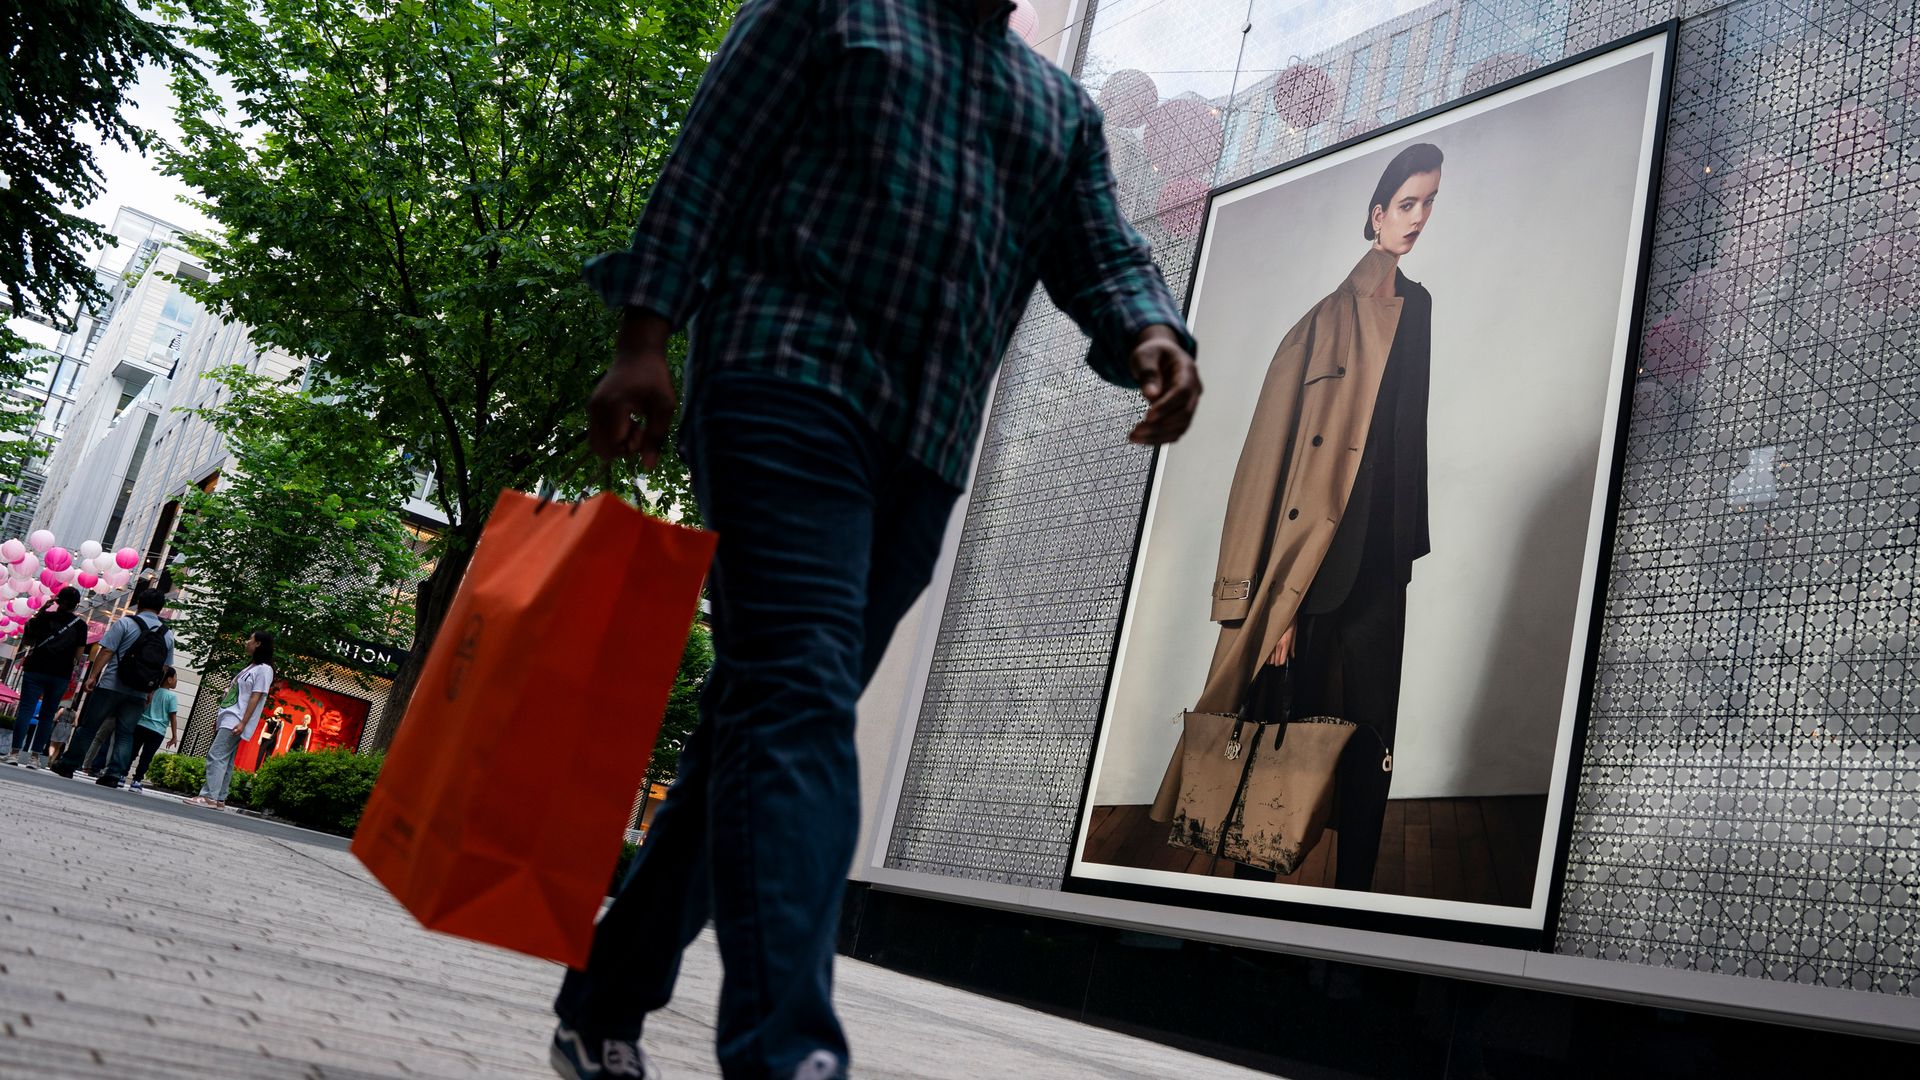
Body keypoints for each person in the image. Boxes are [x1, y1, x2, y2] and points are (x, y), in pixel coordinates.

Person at [552, 3, 1202, 1079]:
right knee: (796, 696)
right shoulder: (828, 13)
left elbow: (1101, 249)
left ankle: (606, 1000)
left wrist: (1150, 330)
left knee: (765, 717)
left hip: (926, 448)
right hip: (783, 379)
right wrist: (644, 338)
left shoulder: (1056, 109)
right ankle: (788, 1053)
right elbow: (706, 165)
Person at [1160, 143, 1442, 891]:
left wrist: (1406, 547)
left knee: (1372, 735)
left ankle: (1353, 901)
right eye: (1406, 203)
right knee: (1284, 733)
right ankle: (1258, 896)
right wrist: (1260, 599)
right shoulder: (1316, 326)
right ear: (1376, 215)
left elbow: (1404, 443)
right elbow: (1264, 469)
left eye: (1428, 203)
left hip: (1381, 564)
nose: (1417, 218)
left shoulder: (1421, 310)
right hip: (1310, 572)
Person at [50, 575, 176, 787]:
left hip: (112, 685)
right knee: (126, 734)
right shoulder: (167, 635)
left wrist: (92, 676)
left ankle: (68, 764)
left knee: (89, 726)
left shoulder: (126, 622)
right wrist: (151, 691)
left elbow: (107, 650)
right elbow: (164, 667)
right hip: (139, 691)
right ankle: (113, 774)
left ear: (141, 604)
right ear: (160, 608)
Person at [188, 631, 274, 810]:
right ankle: (219, 798)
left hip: (236, 719)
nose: (246, 642)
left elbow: (255, 697)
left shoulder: (264, 669)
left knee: (216, 755)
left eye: (250, 639)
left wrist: (243, 722)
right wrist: (219, 718)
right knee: (225, 758)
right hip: (229, 717)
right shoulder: (249, 668)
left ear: (258, 644)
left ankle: (209, 797)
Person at [6, 586, 88, 768]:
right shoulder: (80, 626)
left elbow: (28, 639)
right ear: (76, 606)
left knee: (26, 710)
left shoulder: (45, 618)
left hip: (36, 669)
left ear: (57, 602)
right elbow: (79, 654)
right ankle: (35, 758)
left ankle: (13, 753)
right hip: (60, 674)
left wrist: (43, 609)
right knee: (47, 715)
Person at [128, 666, 180, 793]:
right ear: (169, 679)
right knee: (146, 757)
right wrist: (174, 735)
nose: (176, 680)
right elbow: (172, 717)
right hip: (157, 731)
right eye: (175, 678)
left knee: (132, 752)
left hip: (142, 725)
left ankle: (122, 775)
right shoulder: (171, 697)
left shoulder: (152, 691)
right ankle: (136, 781)